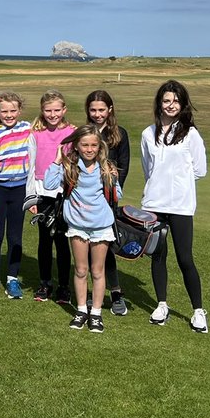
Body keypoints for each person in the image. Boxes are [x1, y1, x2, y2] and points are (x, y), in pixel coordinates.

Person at [142, 80, 209, 334]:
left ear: (183, 105)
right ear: (159, 102)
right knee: (158, 255)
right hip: (154, 204)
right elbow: (148, 168)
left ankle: (198, 311)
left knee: (185, 258)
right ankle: (161, 304)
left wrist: (177, 183)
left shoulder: (191, 134)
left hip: (181, 205)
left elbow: (200, 170)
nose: (171, 105)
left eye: (176, 101)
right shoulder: (149, 133)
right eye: (167, 100)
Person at [44, 124, 121, 334]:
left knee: (97, 271)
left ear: (99, 146)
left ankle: (95, 313)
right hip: (77, 226)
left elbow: (117, 195)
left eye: (94, 145)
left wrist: (113, 179)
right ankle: (81, 310)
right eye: (84, 145)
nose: (89, 149)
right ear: (76, 145)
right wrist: (58, 159)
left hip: (101, 226)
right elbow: (49, 184)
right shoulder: (70, 167)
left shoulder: (105, 168)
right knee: (80, 270)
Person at [26, 90, 75, 304]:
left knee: (63, 242)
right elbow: (30, 166)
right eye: (48, 110)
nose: (53, 114)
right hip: (42, 193)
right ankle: (45, 283)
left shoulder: (73, 132)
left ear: (64, 110)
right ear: (42, 111)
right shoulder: (35, 133)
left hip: (63, 195)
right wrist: (31, 197)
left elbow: (74, 165)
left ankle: (64, 286)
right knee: (45, 241)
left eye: (57, 110)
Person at [86, 89, 132, 316]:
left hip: (107, 201)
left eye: (101, 110)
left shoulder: (119, 134)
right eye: (93, 110)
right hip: (85, 202)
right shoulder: (85, 133)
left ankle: (115, 293)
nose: (97, 114)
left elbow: (123, 167)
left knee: (106, 249)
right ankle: (89, 293)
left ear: (109, 110)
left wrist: (112, 192)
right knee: (85, 248)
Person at [0, 91, 33, 299]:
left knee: (15, 237)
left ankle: (12, 279)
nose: (9, 114)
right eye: (4, 111)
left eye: (13, 110)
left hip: (20, 188)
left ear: (19, 110)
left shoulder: (28, 128)